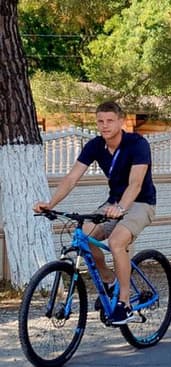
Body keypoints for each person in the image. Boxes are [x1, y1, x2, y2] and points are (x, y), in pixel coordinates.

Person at [33, 101, 156, 325]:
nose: (104, 125)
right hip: (113, 204)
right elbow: (72, 178)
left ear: (121, 121)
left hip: (140, 203)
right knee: (84, 235)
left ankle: (125, 303)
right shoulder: (95, 146)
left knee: (117, 242)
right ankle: (109, 280)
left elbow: (136, 184)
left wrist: (121, 208)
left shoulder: (137, 144)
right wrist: (50, 203)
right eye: (100, 121)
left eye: (110, 120)